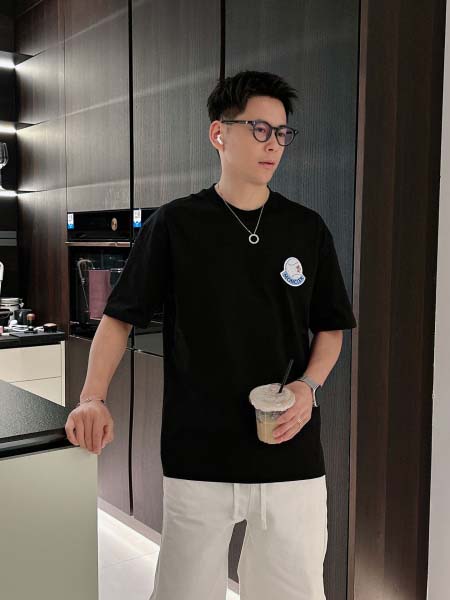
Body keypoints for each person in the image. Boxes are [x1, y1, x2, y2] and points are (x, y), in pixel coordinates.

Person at [65, 70, 357, 600]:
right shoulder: (176, 224)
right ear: (219, 134)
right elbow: (119, 317)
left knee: (292, 592)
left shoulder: (306, 228)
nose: (273, 144)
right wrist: (92, 397)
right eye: (259, 129)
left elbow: (331, 328)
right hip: (199, 453)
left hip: (289, 452)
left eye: (282, 133)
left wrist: (307, 387)